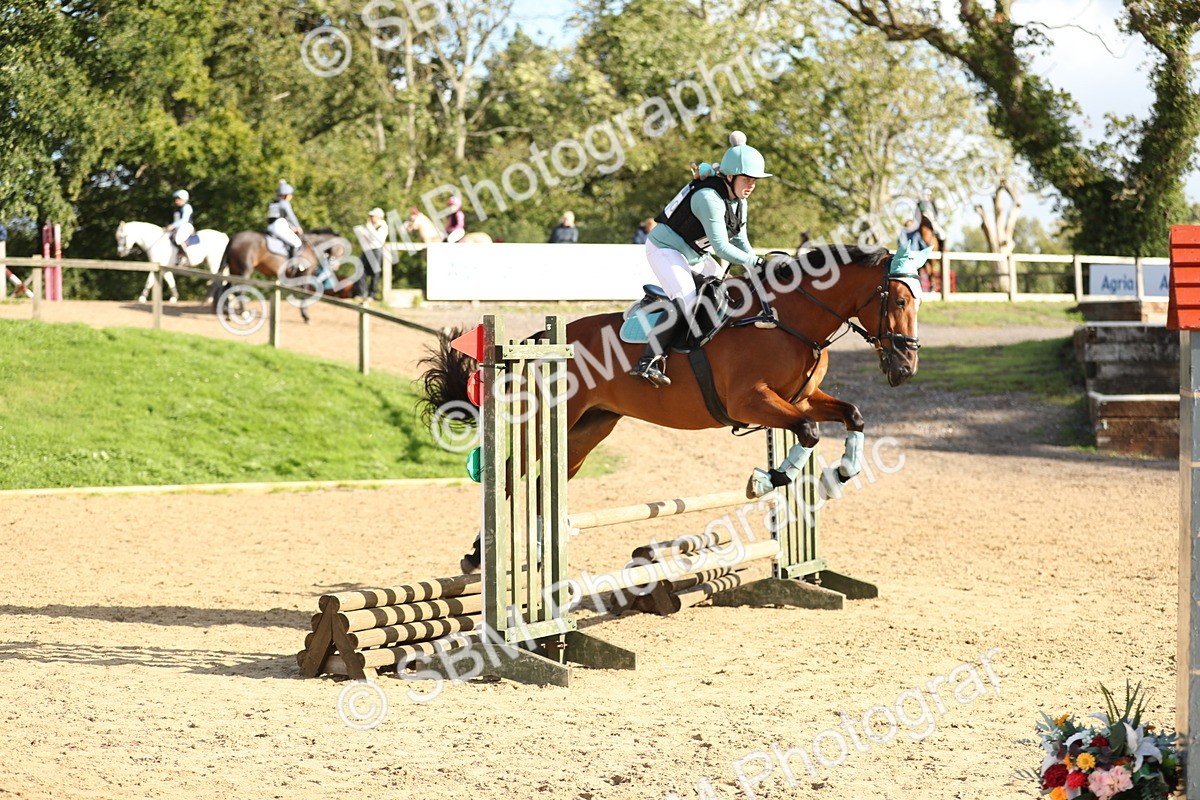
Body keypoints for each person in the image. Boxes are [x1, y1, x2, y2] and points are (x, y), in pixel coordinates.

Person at [630, 131, 772, 388]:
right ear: (730, 176)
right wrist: (758, 263)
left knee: (725, 296)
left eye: (755, 180)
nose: (752, 184)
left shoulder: (739, 200)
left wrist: (756, 267)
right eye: (747, 178)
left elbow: (740, 241)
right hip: (665, 248)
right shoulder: (709, 198)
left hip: (695, 254)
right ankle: (647, 361)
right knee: (687, 299)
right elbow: (722, 247)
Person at [357, 207, 389, 301]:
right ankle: (363, 293)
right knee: (361, 271)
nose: (371, 218)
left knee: (375, 273)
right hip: (367, 250)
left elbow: (375, 239)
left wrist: (369, 228)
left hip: (376, 250)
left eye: (373, 216)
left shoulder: (382, 227)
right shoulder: (369, 226)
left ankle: (372, 294)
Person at [267, 180, 304, 259]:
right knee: (297, 243)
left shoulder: (273, 202)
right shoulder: (284, 203)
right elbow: (291, 216)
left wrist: (290, 227)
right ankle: (293, 263)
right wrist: (298, 227)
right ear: (285, 195)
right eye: (290, 195)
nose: (291, 196)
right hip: (279, 226)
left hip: (270, 227)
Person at [166, 189, 194, 267]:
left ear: (184, 199)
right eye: (176, 199)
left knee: (177, 238)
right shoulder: (177, 209)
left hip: (186, 226)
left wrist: (173, 226)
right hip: (179, 227)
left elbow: (184, 220)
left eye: (178, 199)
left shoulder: (187, 207)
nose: (176, 201)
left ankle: (184, 256)